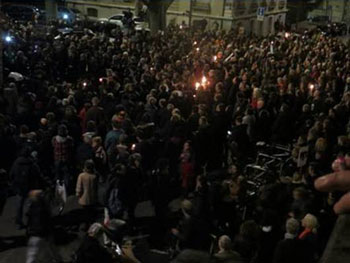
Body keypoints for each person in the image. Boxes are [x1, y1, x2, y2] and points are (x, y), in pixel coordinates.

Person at [26, 190, 61, 263]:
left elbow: (30, 221)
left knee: (32, 255)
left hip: (34, 234)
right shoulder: (43, 208)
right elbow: (46, 222)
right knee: (51, 251)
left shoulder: (32, 207)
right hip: (42, 234)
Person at [10, 147, 40, 229]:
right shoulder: (31, 163)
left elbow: (11, 174)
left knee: (19, 205)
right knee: (30, 204)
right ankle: (31, 221)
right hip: (30, 187)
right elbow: (37, 174)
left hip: (19, 187)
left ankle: (18, 222)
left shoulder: (16, 163)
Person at [76, 159, 98, 227]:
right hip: (92, 198)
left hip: (84, 198)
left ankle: (86, 225)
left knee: (85, 213)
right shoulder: (94, 176)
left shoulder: (81, 176)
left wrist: (78, 194)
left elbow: (79, 187)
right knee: (91, 212)